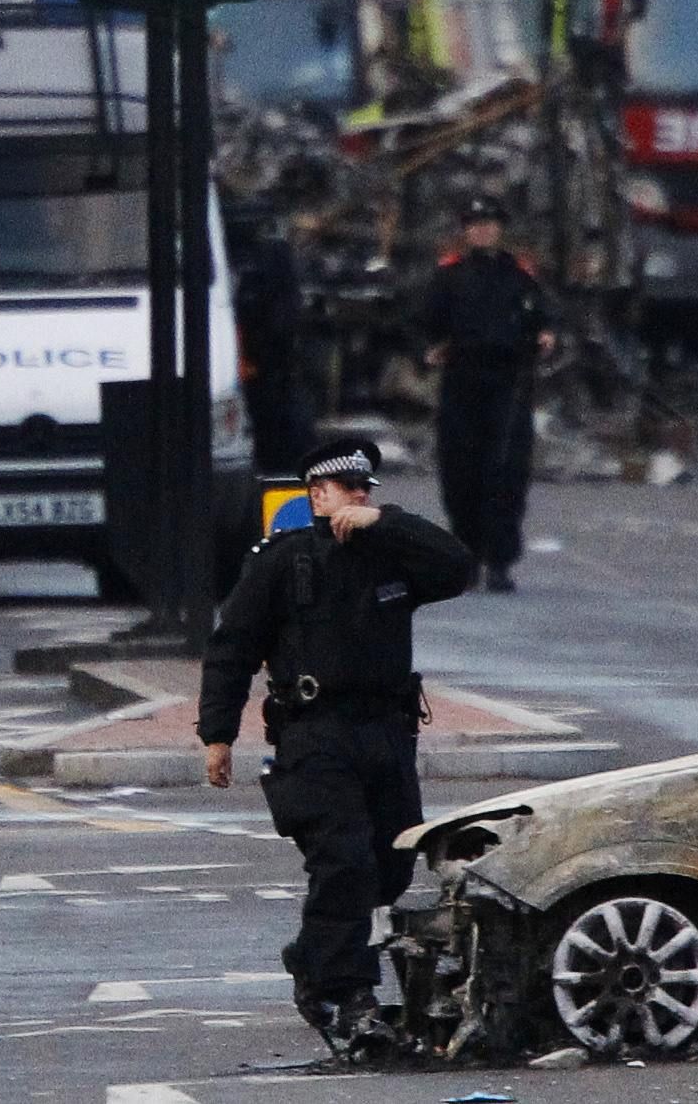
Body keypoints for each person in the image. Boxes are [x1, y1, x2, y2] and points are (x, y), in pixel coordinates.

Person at [198, 437, 470, 1051]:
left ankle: (316, 954)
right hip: (315, 733)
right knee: (344, 863)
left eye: (367, 489)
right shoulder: (282, 562)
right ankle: (342, 992)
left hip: (386, 732)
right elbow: (232, 647)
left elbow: (458, 567)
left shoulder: (389, 553)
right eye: (349, 489)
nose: (360, 497)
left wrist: (389, 524)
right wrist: (218, 734)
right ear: (317, 497)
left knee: (392, 863)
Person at [422, 195, 553, 593]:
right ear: (467, 231)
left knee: (505, 472)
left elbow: (543, 318)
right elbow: (423, 323)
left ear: (500, 229)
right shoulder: (449, 277)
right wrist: (430, 348)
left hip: (509, 383)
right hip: (462, 381)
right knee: (461, 471)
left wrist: (546, 336)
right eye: (475, 224)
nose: (483, 230)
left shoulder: (520, 276)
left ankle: (499, 560)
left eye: (490, 223)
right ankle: (467, 555)